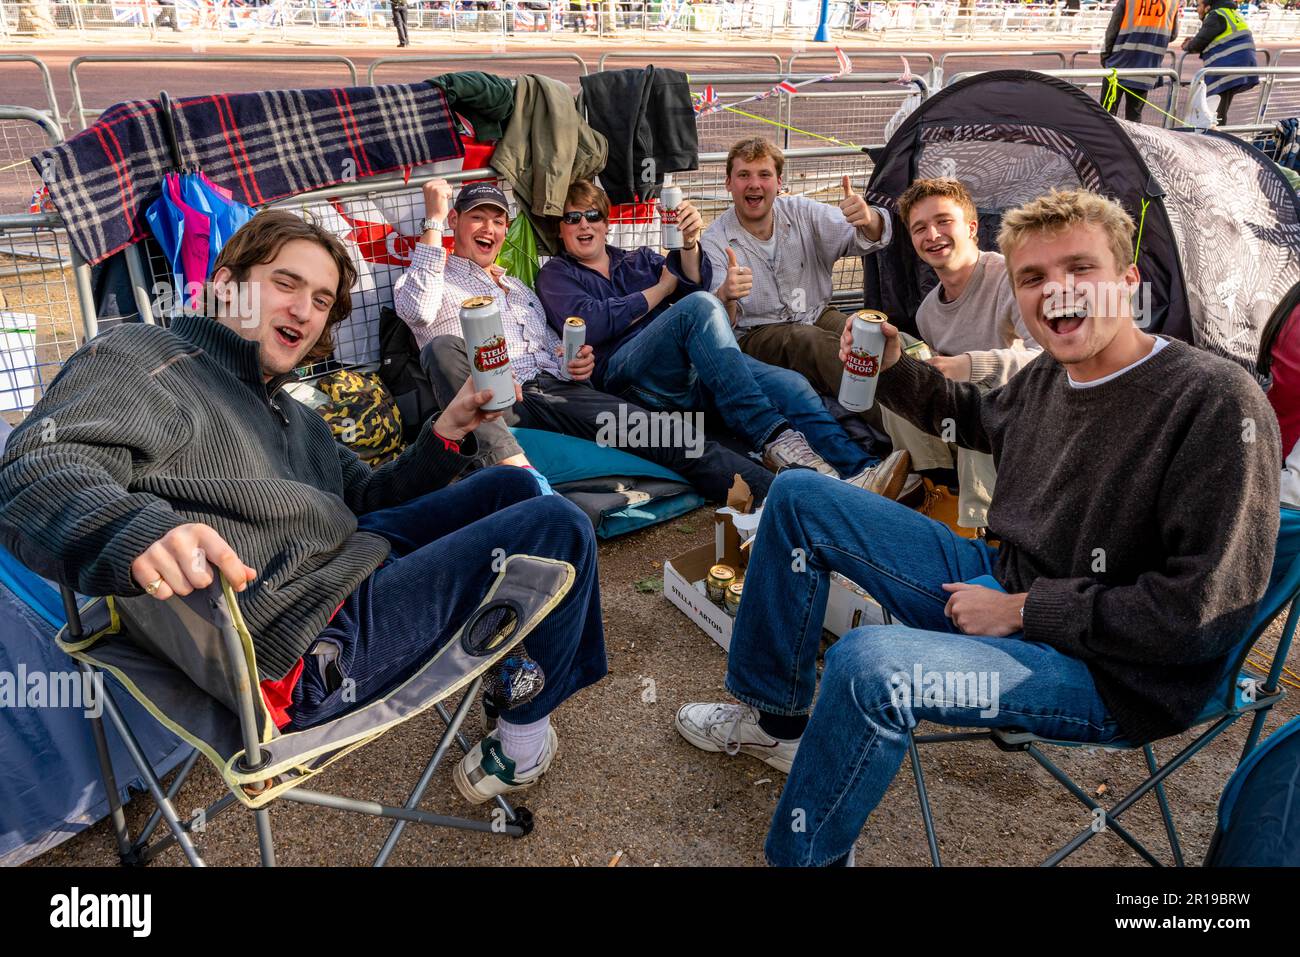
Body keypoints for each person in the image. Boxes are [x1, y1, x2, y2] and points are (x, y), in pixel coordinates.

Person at [675, 188, 1280, 866]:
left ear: (1128, 280)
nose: (1057, 292)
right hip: (1001, 584)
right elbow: (968, 419)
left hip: (1109, 672)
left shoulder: (1215, 403)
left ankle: (804, 858)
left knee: (868, 664)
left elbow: (1199, 615)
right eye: (1033, 277)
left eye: (1079, 268)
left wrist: (1025, 609)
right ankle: (775, 721)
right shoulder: (1054, 374)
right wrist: (896, 366)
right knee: (797, 494)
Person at [0, 211, 608, 806]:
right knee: (558, 525)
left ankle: (522, 667)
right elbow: (35, 469)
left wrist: (445, 436)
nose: (304, 311)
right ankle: (524, 733)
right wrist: (136, 531)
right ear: (224, 285)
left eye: (320, 300)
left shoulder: (290, 412)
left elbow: (369, 499)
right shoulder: (143, 358)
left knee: (517, 490)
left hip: (348, 566)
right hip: (310, 643)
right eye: (285, 284)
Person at [394, 179, 777, 504]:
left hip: (559, 393)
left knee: (672, 436)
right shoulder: (435, 280)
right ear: (456, 221)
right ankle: (518, 476)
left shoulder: (517, 287)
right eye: (477, 217)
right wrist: (434, 220)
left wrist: (573, 362)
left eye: (498, 221)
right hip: (498, 400)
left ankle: (777, 493)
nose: (489, 229)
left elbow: (553, 349)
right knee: (441, 347)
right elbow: (416, 310)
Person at [536, 180, 909, 493]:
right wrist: (659, 292)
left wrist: (690, 244)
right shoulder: (556, 273)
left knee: (789, 384)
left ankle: (859, 470)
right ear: (560, 228)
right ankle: (774, 439)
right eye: (572, 218)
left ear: (606, 222)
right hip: (628, 380)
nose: (583, 224)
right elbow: (592, 321)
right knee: (701, 308)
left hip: (687, 369)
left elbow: (692, 287)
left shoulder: (638, 258)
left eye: (592, 215)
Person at [884, 177, 1041, 532]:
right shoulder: (927, 313)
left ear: (971, 228)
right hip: (959, 441)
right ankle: (936, 488)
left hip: (1021, 427)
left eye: (943, 221)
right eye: (920, 228)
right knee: (894, 371)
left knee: (979, 398)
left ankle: (979, 527)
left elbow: (1047, 361)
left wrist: (970, 365)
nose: (932, 234)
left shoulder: (1009, 279)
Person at [701, 137, 891, 404]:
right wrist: (725, 295)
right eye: (744, 175)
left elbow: (867, 235)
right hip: (756, 334)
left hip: (815, 313)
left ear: (779, 183)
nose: (754, 184)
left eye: (764, 175)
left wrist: (869, 218)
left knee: (867, 335)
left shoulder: (802, 211)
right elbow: (720, 323)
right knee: (813, 343)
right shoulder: (714, 240)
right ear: (728, 183)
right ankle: (890, 419)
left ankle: (929, 384)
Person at [1182, 0, 1260, 127]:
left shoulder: (1216, 15)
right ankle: (1215, 138)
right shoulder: (1229, 13)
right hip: (1239, 66)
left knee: (1215, 111)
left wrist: (1188, 45)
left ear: (1207, 7)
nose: (1197, 9)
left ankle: (1215, 141)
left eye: (1199, 5)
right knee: (1218, 110)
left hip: (1228, 67)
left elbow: (1199, 43)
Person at [1102, 0, 1180, 123]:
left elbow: (1112, 30)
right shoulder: (1172, 3)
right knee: (1134, 117)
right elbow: (1173, 35)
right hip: (1146, 66)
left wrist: (1105, 57)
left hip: (1118, 64)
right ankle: (1132, 142)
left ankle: (1105, 142)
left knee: (1107, 115)